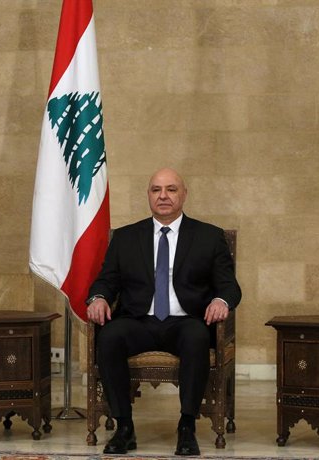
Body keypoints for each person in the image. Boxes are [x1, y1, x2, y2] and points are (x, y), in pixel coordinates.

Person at [85, 167, 242, 456]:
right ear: (148, 196)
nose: (163, 196)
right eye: (156, 190)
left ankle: (186, 427)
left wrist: (221, 301)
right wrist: (97, 297)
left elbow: (230, 286)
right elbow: (106, 280)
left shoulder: (209, 236)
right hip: (138, 321)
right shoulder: (125, 237)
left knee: (196, 338)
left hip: (186, 322)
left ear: (183, 194)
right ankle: (124, 427)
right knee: (109, 337)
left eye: (171, 189)